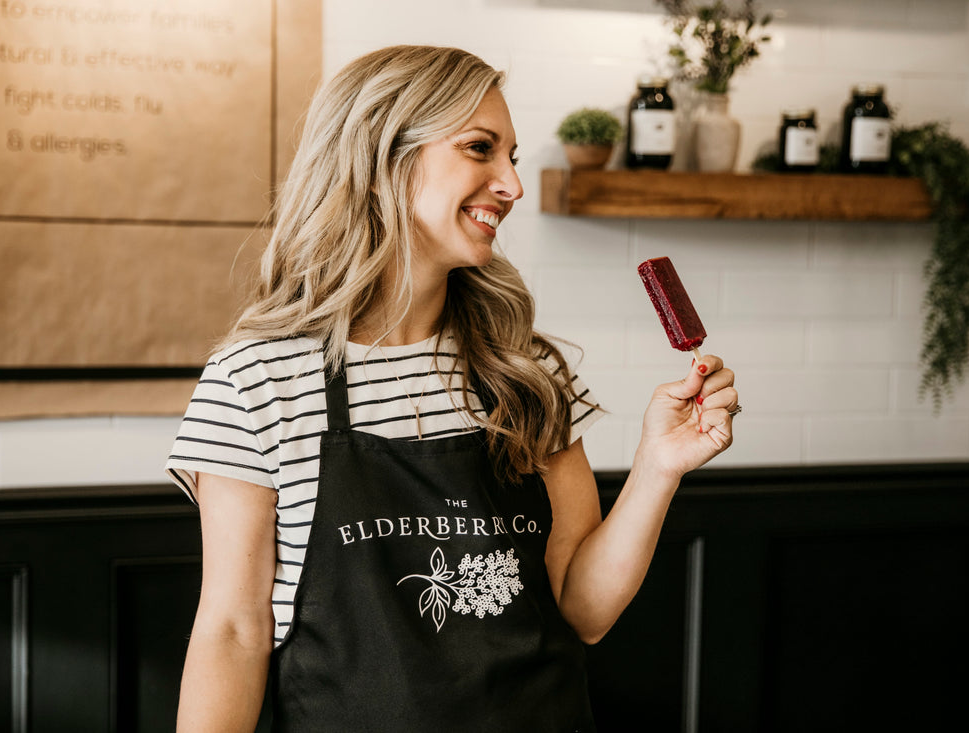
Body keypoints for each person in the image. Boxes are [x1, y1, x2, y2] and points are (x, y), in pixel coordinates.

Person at [166, 45, 738, 732]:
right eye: (480, 148)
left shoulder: (524, 370)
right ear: (382, 159)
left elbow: (583, 609)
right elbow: (233, 630)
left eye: (513, 158)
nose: (513, 186)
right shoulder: (259, 381)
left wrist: (657, 467)